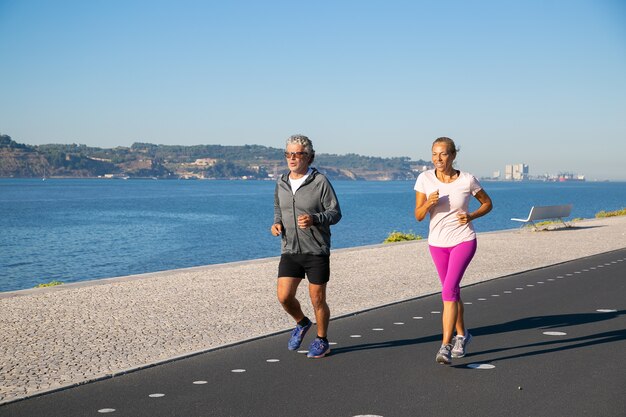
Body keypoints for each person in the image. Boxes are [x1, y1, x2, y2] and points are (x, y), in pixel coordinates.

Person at [414, 137, 493, 365]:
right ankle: (463, 335)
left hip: (463, 240)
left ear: (453, 155)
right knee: (452, 291)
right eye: (434, 154)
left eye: (443, 154)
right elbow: (418, 216)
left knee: (448, 291)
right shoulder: (425, 179)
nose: (438, 159)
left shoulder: (467, 180)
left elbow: (487, 203)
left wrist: (471, 215)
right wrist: (429, 203)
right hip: (437, 244)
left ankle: (445, 345)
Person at [271, 134, 342, 358]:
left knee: (317, 299)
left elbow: (335, 213)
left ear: (309, 157)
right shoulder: (281, 182)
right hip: (290, 249)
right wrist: (276, 224)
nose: (292, 158)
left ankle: (322, 340)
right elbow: (278, 208)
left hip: (316, 249)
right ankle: (302, 323)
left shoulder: (320, 182)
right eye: (288, 154)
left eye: (297, 154)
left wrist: (315, 219)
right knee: (284, 297)